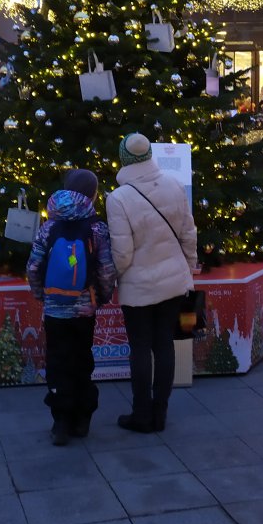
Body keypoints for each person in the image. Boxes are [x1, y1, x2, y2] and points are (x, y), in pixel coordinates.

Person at [106, 133, 197, 434]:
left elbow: (122, 252)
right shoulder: (173, 185)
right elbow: (188, 233)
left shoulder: (119, 198)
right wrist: (189, 266)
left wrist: (114, 278)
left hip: (139, 287)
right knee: (165, 345)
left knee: (141, 348)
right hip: (173, 280)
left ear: (125, 159)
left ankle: (141, 413)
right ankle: (161, 413)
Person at [26, 169, 117, 446]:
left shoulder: (48, 226)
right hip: (83, 310)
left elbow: (33, 266)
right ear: (92, 193)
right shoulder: (97, 228)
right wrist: (99, 300)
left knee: (57, 361)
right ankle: (82, 419)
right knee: (81, 361)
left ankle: (60, 422)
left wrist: (42, 295)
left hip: (55, 309)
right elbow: (106, 270)